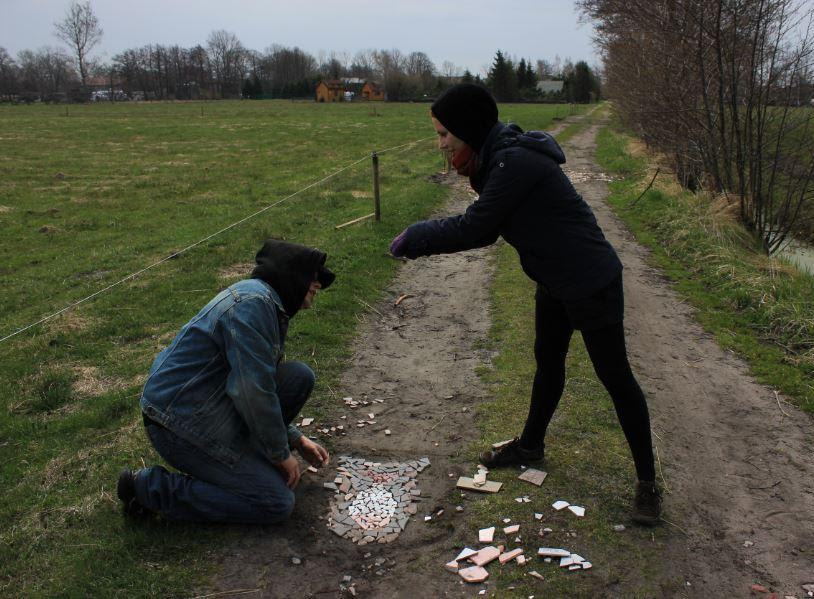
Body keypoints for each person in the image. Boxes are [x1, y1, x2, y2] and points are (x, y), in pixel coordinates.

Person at [389, 84, 661, 524]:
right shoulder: (496, 158)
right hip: (553, 279)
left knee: (616, 378)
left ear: (468, 129)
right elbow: (493, 226)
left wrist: (419, 235)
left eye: (444, 134)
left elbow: (478, 228)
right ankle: (530, 446)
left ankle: (648, 484)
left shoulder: (514, 162)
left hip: (591, 281)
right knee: (548, 364)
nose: (440, 144)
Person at [117, 239, 333, 524]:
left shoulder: (266, 303)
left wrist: (295, 439)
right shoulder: (252, 307)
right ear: (291, 277)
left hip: (207, 405)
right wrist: (281, 453)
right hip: (177, 422)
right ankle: (149, 488)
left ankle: (251, 460)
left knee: (298, 377)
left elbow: (260, 384)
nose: (317, 286)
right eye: (313, 278)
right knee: (275, 502)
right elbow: (252, 392)